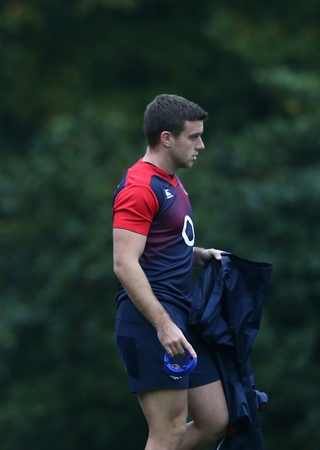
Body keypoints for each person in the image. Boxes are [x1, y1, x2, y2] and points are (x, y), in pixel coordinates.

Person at [112, 94, 229, 450]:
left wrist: (198, 255)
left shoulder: (172, 182)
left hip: (182, 316)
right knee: (169, 431)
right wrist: (163, 326)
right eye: (193, 137)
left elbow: (158, 247)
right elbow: (124, 262)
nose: (201, 145)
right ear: (166, 138)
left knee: (214, 421)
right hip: (153, 322)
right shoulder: (139, 186)